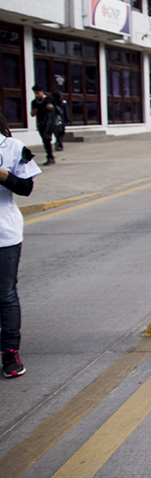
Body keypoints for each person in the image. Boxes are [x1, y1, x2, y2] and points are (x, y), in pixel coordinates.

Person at [0, 110, 41, 377]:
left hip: (4, 234)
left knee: (5, 295)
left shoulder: (13, 147)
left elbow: (26, 188)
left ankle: (10, 353)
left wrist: (3, 176)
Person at [29, 86, 56, 166]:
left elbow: (51, 108)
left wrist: (49, 107)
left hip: (49, 123)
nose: (36, 95)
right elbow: (32, 114)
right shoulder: (34, 102)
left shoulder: (48, 99)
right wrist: (34, 111)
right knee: (45, 140)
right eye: (35, 93)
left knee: (47, 139)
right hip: (40, 123)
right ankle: (50, 156)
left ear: (41, 91)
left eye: (37, 93)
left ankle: (50, 157)